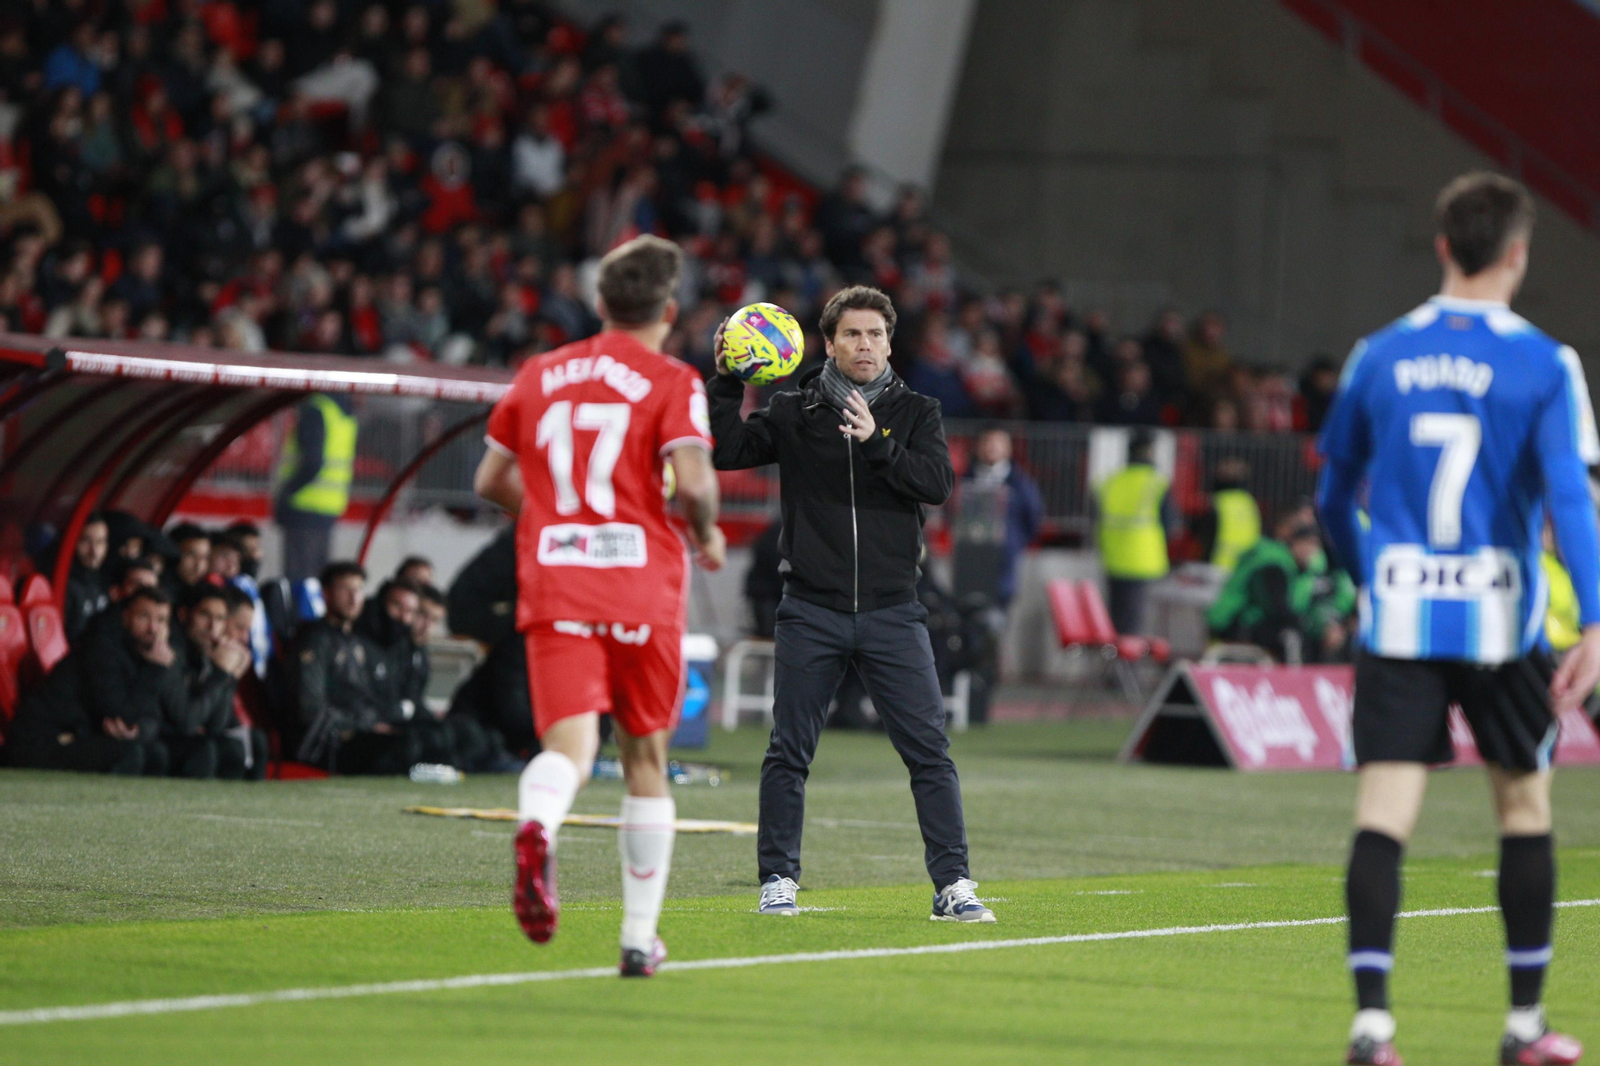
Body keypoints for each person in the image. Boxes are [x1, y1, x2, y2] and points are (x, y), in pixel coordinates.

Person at [1317, 172, 1600, 1066]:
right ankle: (1522, 1029)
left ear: (1442, 246)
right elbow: (1571, 499)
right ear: (1518, 253)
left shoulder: (1378, 354)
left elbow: (1332, 496)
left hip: (1401, 620)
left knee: (1383, 817)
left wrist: (1370, 577)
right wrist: (1596, 621)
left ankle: (1372, 1030)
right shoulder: (1547, 364)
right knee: (1523, 809)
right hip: (1504, 624)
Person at [473, 234, 725, 977]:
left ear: (599, 302)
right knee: (646, 758)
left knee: (567, 749)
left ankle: (538, 822)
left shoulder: (540, 371)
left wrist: (553, 519)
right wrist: (705, 533)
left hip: (556, 582)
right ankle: (638, 940)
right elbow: (698, 480)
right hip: (640, 583)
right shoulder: (673, 379)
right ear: (669, 309)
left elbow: (491, 478)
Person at [708, 284, 994, 924]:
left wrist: (876, 443)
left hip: (895, 611)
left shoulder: (917, 410)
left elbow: (938, 484)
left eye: (876, 335)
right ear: (829, 343)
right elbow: (727, 451)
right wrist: (727, 379)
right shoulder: (795, 409)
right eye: (853, 335)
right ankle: (778, 879)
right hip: (811, 608)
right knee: (789, 752)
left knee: (930, 753)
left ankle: (954, 885)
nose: (865, 345)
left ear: (890, 343)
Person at [6, 587, 182, 776]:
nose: (153, 629)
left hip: (82, 734)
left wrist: (138, 732)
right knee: (130, 753)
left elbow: (153, 714)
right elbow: (120, 714)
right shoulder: (102, 648)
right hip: (43, 739)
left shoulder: (146, 655)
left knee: (157, 754)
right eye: (144, 617)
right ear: (126, 617)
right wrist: (156, 670)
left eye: (161, 620)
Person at [291, 561, 416, 774]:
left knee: (419, 738)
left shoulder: (355, 640)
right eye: (345, 589)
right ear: (326, 593)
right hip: (327, 743)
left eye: (358, 589)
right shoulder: (315, 640)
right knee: (401, 751)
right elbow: (312, 710)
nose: (354, 598)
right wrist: (366, 725)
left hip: (359, 732)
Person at [1205, 508, 1352, 663]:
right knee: (1293, 635)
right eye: (1306, 543)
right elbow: (1276, 608)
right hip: (1234, 622)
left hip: (1258, 621)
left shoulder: (1302, 570)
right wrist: (1314, 627)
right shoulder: (1272, 563)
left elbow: (1316, 605)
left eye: (1315, 545)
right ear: (1293, 544)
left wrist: (1326, 626)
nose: (1311, 551)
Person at [1094, 431, 1176, 636]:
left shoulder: (1110, 482)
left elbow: (1096, 520)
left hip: (1113, 561)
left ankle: (1115, 666)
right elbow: (1170, 525)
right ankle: (1128, 668)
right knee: (1134, 628)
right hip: (1142, 562)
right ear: (1150, 452)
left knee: (1115, 622)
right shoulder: (1156, 483)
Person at [275, 392, 358, 583]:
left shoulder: (316, 409)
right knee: (318, 580)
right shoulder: (342, 410)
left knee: (299, 581)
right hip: (329, 505)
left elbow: (313, 462)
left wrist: (287, 492)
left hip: (303, 504)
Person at [962, 427, 1043, 609]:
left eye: (997, 443)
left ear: (1008, 448)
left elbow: (1033, 519)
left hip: (1003, 566)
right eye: (987, 442)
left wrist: (1013, 542)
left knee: (996, 622)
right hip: (970, 564)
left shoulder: (1021, 484)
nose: (991, 447)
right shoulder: (965, 480)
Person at [1193, 457, 1261, 573]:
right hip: (1245, 564)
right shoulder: (1249, 502)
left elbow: (1205, 533)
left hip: (1219, 564)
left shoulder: (1219, 501)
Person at [62, 513, 110, 643]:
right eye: (85, 541)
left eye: (100, 542)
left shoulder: (107, 579)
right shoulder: (64, 584)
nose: (94, 551)